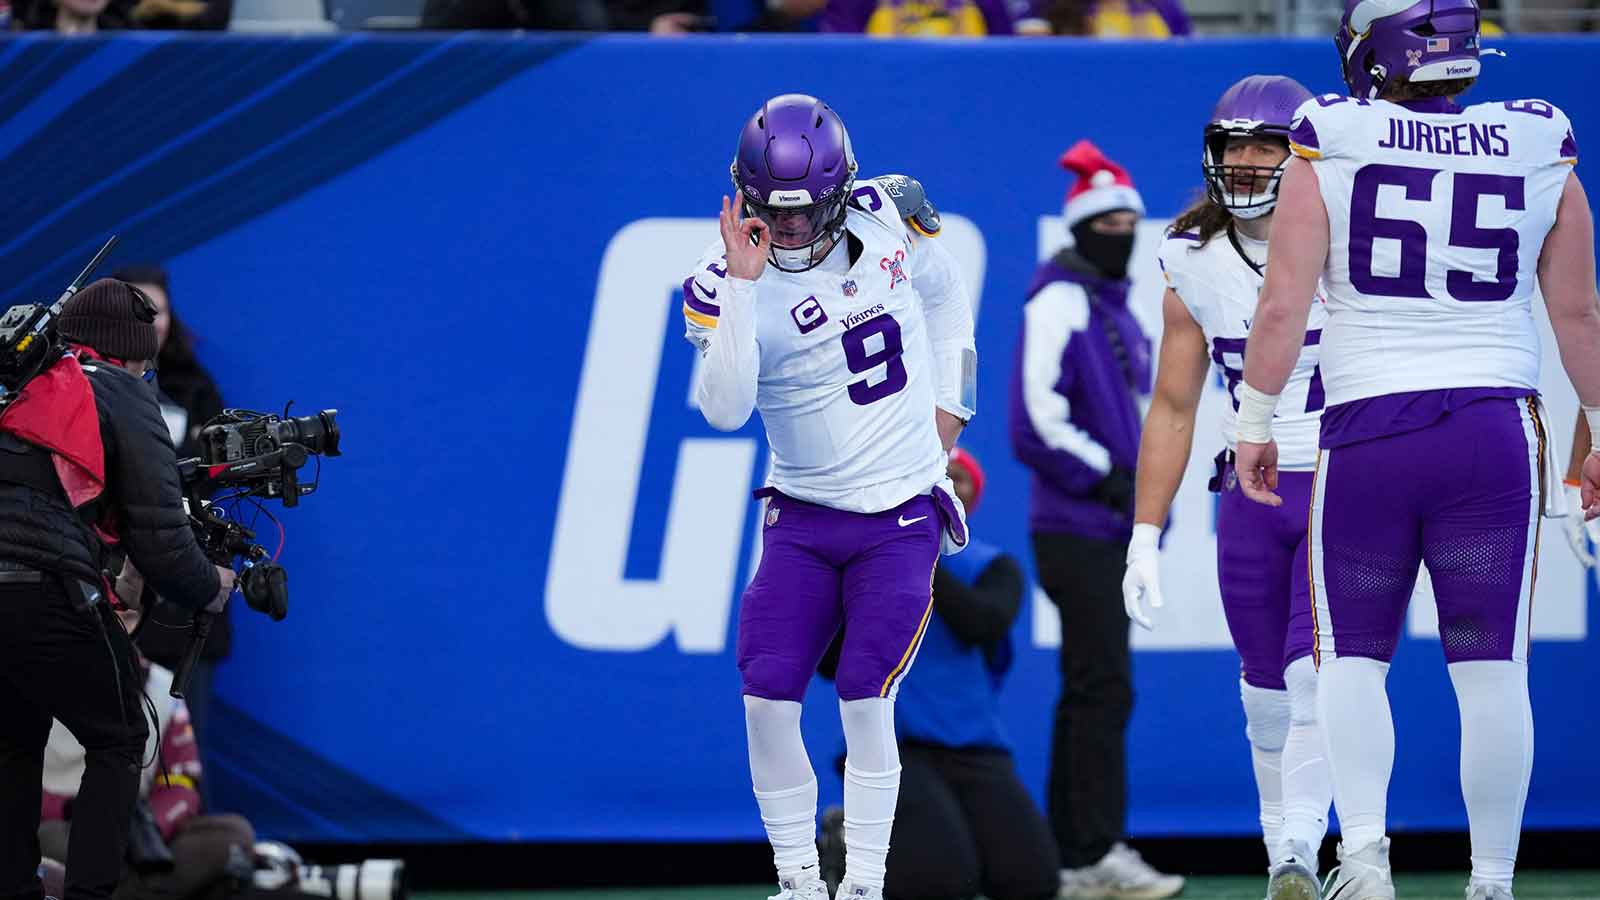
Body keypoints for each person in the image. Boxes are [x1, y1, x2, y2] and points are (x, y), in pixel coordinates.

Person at [1233, 1, 1600, 897]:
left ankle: (1364, 856)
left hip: (1371, 431)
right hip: (1492, 430)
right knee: (1492, 668)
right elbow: (1579, 314)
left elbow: (1281, 307)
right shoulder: (1536, 137)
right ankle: (1493, 880)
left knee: (1353, 657)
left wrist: (1253, 421)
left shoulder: (1334, 132)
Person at [684, 93, 976, 900]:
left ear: (841, 192)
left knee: (866, 694)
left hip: (901, 513)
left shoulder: (891, 213)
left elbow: (946, 295)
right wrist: (744, 289)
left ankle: (865, 884)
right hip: (804, 515)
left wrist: (954, 404)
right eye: (773, 213)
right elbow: (724, 409)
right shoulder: (719, 277)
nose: (788, 230)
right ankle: (799, 882)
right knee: (766, 695)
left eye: (805, 212)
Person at [1124, 74, 1333, 900]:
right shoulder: (1190, 253)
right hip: (1250, 486)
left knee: (1317, 672)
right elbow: (1174, 404)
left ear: (1302, 155)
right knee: (1263, 689)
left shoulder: (1354, 231)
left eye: (1264, 146)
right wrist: (1144, 535)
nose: (1244, 161)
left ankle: (1309, 846)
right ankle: (1284, 850)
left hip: (1345, 474)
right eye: (1232, 145)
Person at [0, 279, 233, 900]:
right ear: (131, 354)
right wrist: (209, 585)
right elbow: (163, 537)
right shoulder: (120, 391)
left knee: (13, 739)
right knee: (123, 736)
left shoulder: (22, 381)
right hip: (45, 589)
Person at [1009, 140, 1182, 900]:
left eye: (1128, 223)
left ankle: (1078, 851)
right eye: (1105, 223)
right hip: (1075, 528)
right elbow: (1033, 422)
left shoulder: (1118, 307)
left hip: (1110, 528)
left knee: (1098, 686)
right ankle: (1086, 853)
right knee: (1099, 685)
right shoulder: (1058, 302)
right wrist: (1110, 480)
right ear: (1079, 228)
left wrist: (1145, 496)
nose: (1119, 235)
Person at [818, 448, 1059, 900]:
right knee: (943, 882)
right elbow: (828, 665)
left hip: (974, 745)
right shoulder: (865, 566)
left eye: (957, 477)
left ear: (971, 497)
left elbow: (981, 623)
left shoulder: (994, 567)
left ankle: (872, 836)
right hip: (893, 747)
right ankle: (850, 847)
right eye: (936, 475)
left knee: (1033, 881)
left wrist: (917, 555)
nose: (946, 484)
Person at [39, 611, 258, 900]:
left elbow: (183, 784)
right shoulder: (34, 681)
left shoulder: (164, 687)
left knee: (234, 835)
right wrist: (73, 811)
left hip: (138, 831)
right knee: (51, 841)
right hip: (65, 827)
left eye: (127, 621)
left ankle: (116, 890)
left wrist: (148, 825)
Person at [109, 266, 229, 793]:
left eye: (160, 311)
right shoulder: (86, 389)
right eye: (141, 311)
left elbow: (217, 476)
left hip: (181, 589)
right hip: (109, 588)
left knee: (183, 743)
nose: (153, 322)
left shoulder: (196, 387)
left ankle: (179, 833)